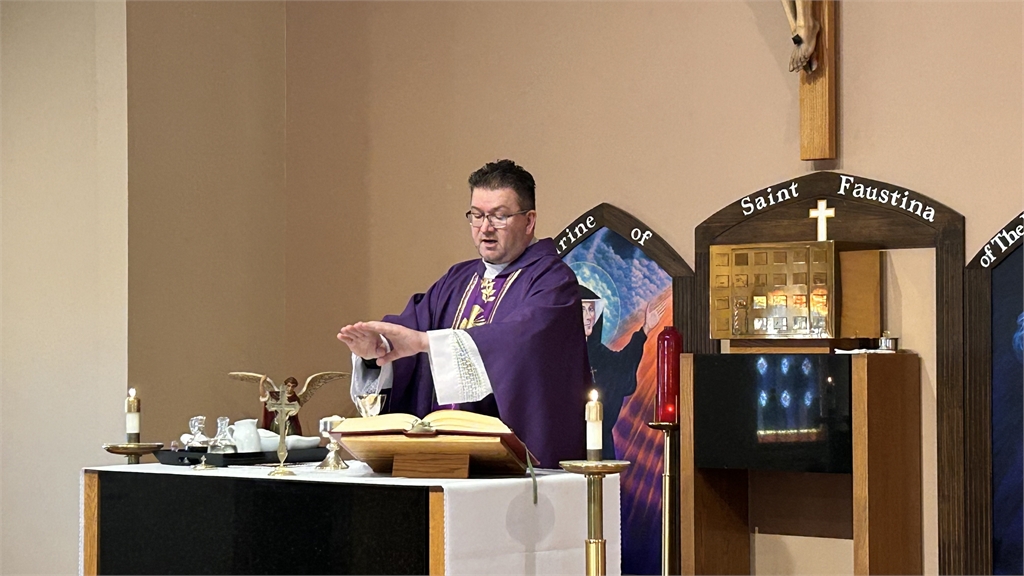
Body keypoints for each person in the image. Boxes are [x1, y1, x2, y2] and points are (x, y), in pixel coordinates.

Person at [337, 160, 589, 468]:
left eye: (499, 216)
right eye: (477, 215)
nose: (485, 228)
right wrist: (378, 351)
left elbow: (522, 341)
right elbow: (412, 329)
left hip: (513, 467)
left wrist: (426, 343)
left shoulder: (552, 281)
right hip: (442, 458)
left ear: (529, 221)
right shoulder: (457, 280)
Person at [580, 286, 661, 459]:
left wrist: (645, 330)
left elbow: (623, 365)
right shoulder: (559, 356)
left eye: (591, 310)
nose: (588, 316)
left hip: (602, 447)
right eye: (582, 309)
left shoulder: (602, 355)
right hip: (569, 446)